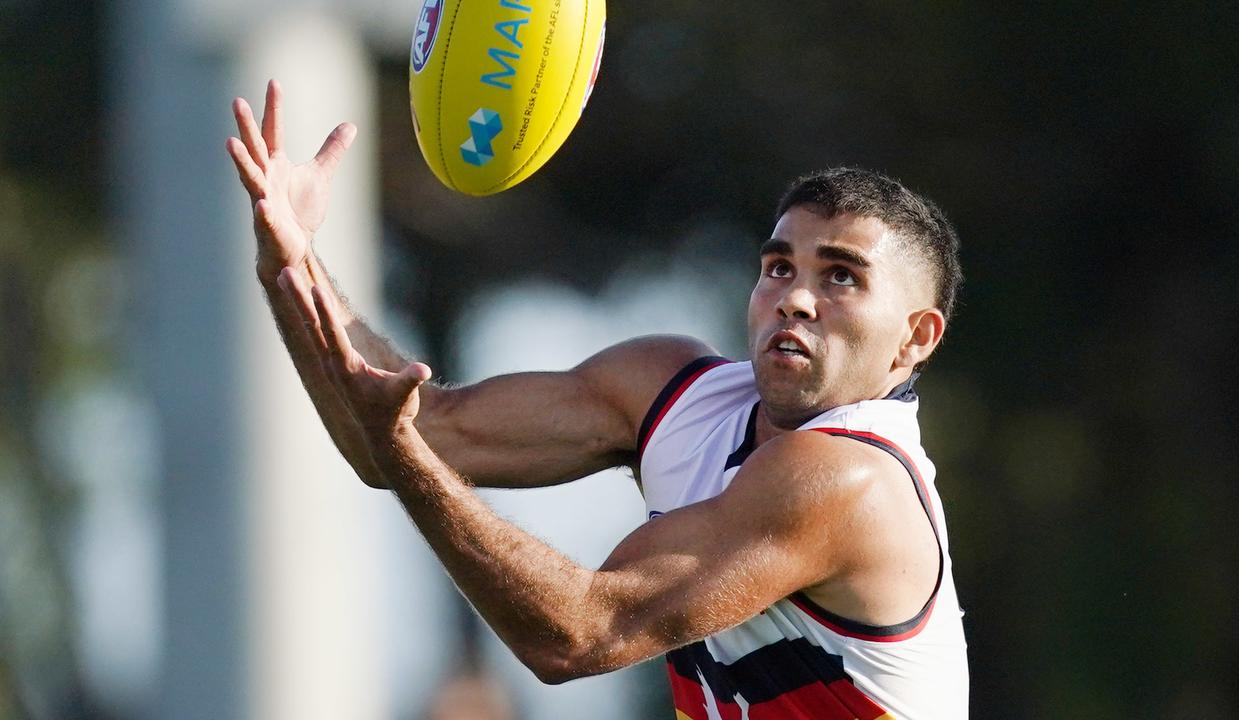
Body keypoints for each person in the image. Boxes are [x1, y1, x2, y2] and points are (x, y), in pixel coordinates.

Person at [226, 80, 969, 720]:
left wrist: (399, 447)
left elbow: (575, 635)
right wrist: (293, 266)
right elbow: (416, 436)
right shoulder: (672, 389)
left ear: (915, 339)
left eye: (840, 277)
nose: (794, 298)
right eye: (779, 266)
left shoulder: (852, 479)